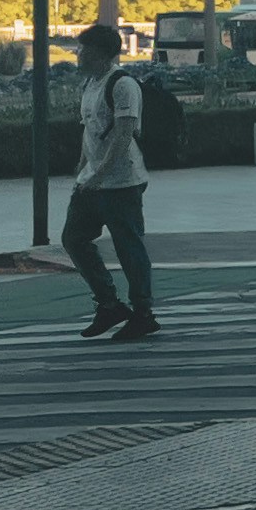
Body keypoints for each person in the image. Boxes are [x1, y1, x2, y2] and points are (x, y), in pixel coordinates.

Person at [65, 21, 159, 338]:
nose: (78, 55)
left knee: (128, 247)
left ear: (100, 53)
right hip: (91, 181)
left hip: (122, 183)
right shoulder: (90, 85)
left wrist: (101, 172)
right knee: (73, 239)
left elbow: (123, 134)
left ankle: (143, 312)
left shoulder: (122, 85)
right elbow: (88, 129)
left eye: (83, 50)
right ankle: (109, 304)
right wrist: (82, 169)